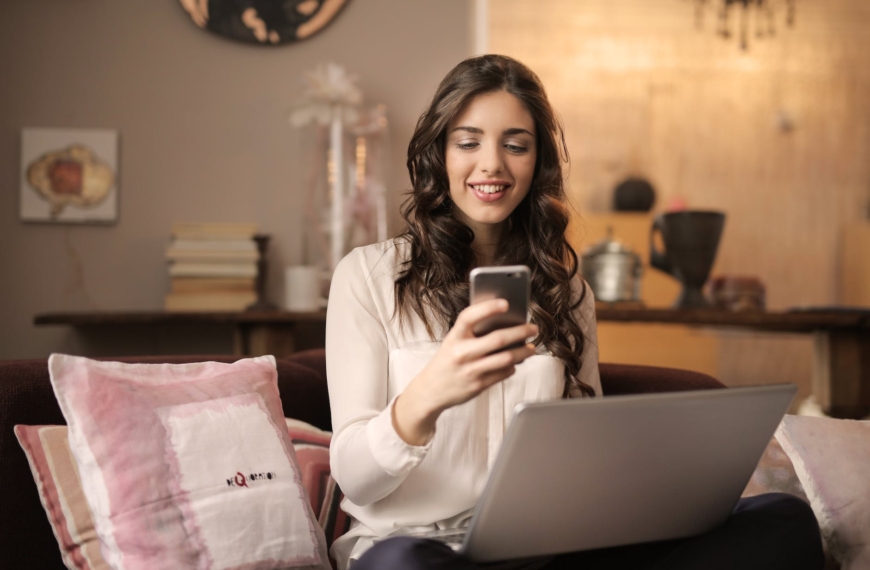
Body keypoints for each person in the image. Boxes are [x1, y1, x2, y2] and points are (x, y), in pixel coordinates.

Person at [325, 54, 823, 570]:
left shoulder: (568, 293)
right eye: (468, 142)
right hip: (417, 548)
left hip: (543, 549)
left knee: (784, 522)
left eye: (515, 145)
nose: (492, 164)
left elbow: (585, 456)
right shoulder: (368, 277)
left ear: (537, 162)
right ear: (439, 155)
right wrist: (428, 395)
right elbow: (356, 476)